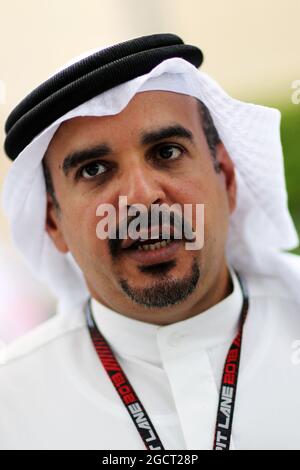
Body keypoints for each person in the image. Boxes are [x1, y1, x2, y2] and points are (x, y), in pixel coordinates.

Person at [1, 33, 300, 450]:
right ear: (54, 223)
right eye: (94, 170)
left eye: (167, 152)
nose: (141, 197)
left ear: (227, 180)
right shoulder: (12, 406)